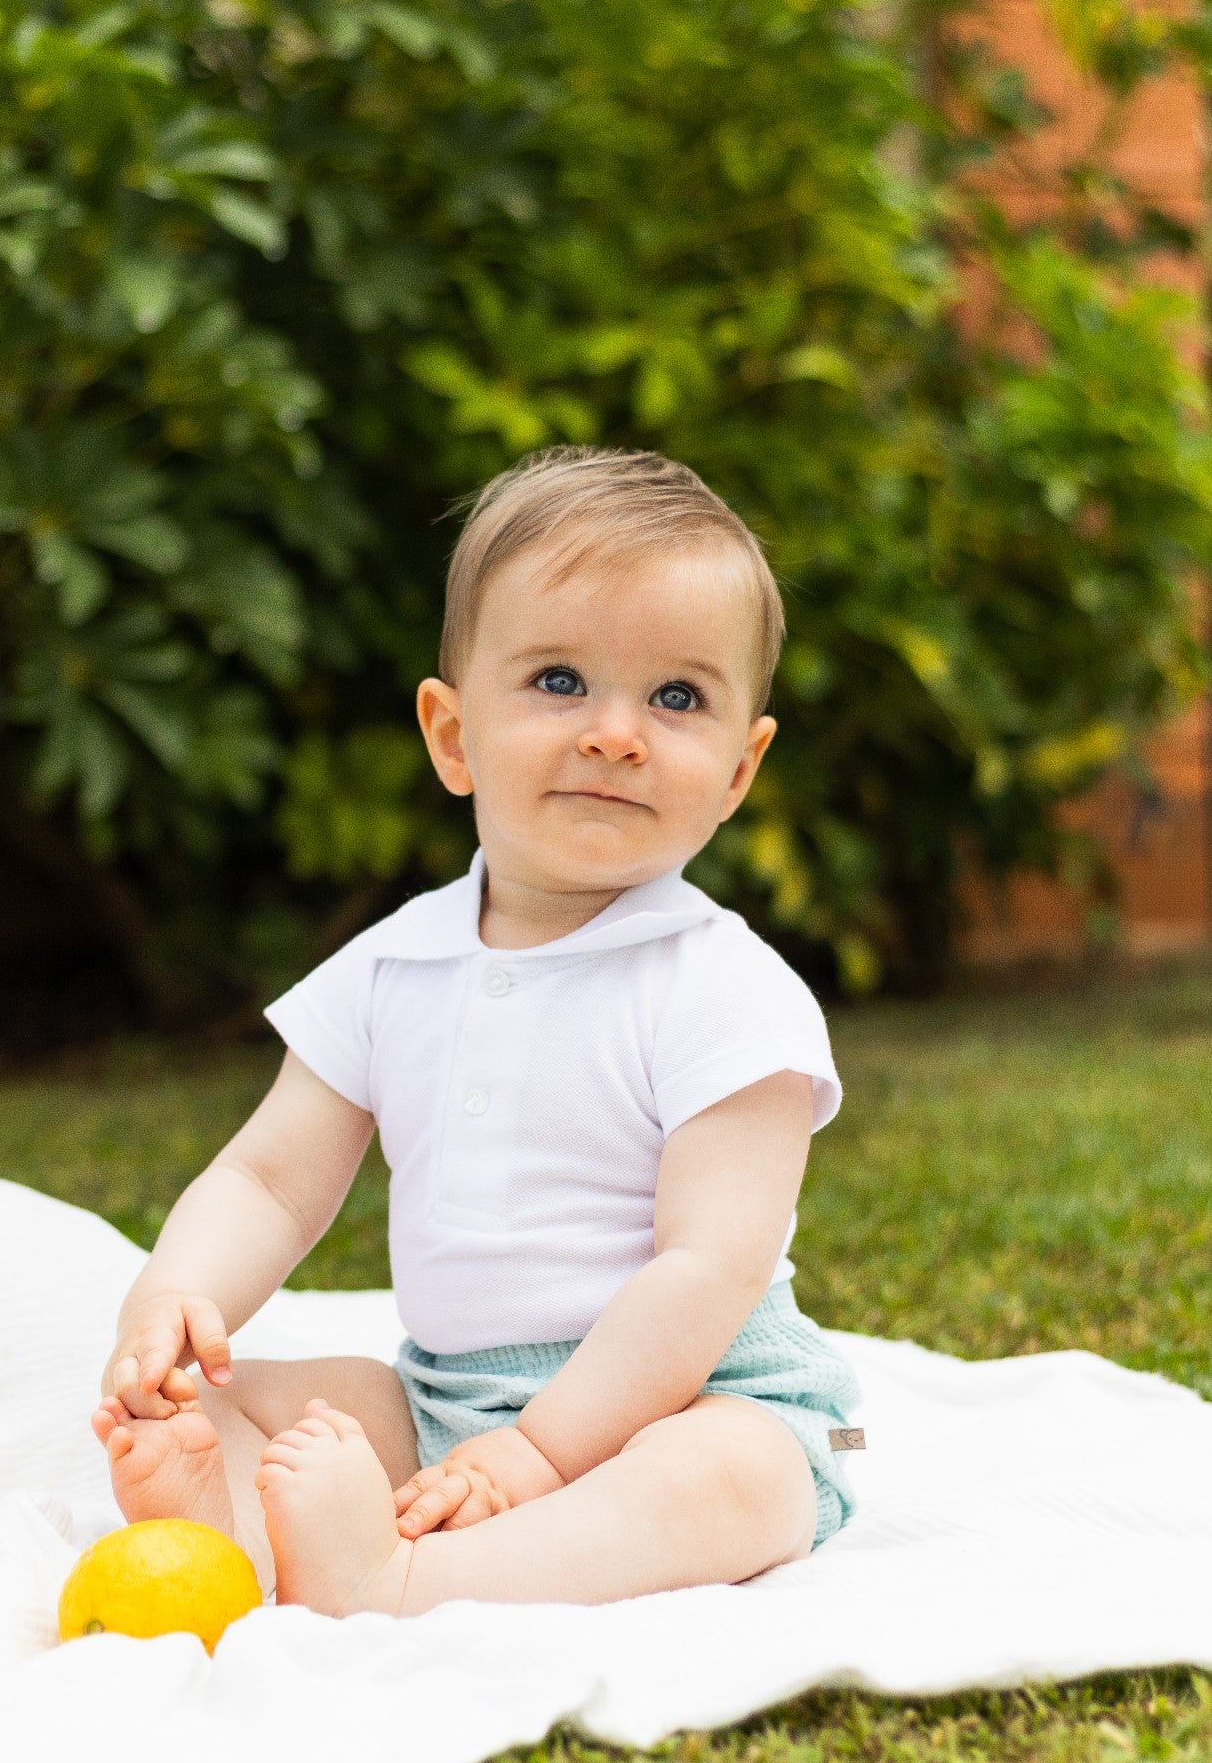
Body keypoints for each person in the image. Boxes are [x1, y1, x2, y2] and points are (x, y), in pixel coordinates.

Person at [92, 446, 862, 1617]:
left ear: (738, 771)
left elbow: (708, 1268)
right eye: (559, 680)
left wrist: (543, 1454)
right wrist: (174, 1295)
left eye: (676, 697)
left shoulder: (725, 990)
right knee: (247, 1401)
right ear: (452, 735)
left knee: (727, 1481)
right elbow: (267, 1177)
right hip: (447, 1395)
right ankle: (232, 1528)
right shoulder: (395, 965)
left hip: (693, 1393)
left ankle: (403, 1579)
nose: (616, 733)